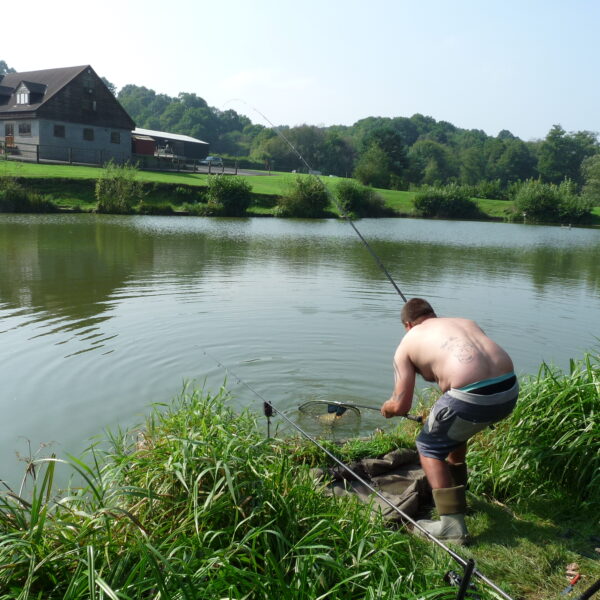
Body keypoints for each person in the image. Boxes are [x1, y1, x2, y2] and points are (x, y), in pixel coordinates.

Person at [380, 298, 518, 544]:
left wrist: (388, 409)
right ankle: (459, 496)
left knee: (428, 446)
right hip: (509, 391)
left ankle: (452, 527)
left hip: (473, 397)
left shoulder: (408, 341)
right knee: (453, 433)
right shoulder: (465, 322)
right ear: (433, 315)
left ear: (408, 325)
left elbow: (401, 404)